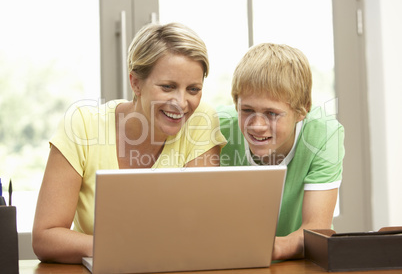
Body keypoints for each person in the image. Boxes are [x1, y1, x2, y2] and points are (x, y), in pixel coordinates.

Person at [32, 22, 226, 264]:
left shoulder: (201, 120)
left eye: (193, 89)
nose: (181, 102)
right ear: (135, 83)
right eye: (168, 87)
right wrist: (120, 248)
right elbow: (45, 237)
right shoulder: (82, 125)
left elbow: (199, 227)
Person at [218, 43, 345, 261]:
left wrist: (262, 249)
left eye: (272, 113)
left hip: (299, 263)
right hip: (231, 259)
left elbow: (316, 229)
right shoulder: (218, 129)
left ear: (302, 110)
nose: (257, 125)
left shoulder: (324, 135)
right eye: (246, 110)